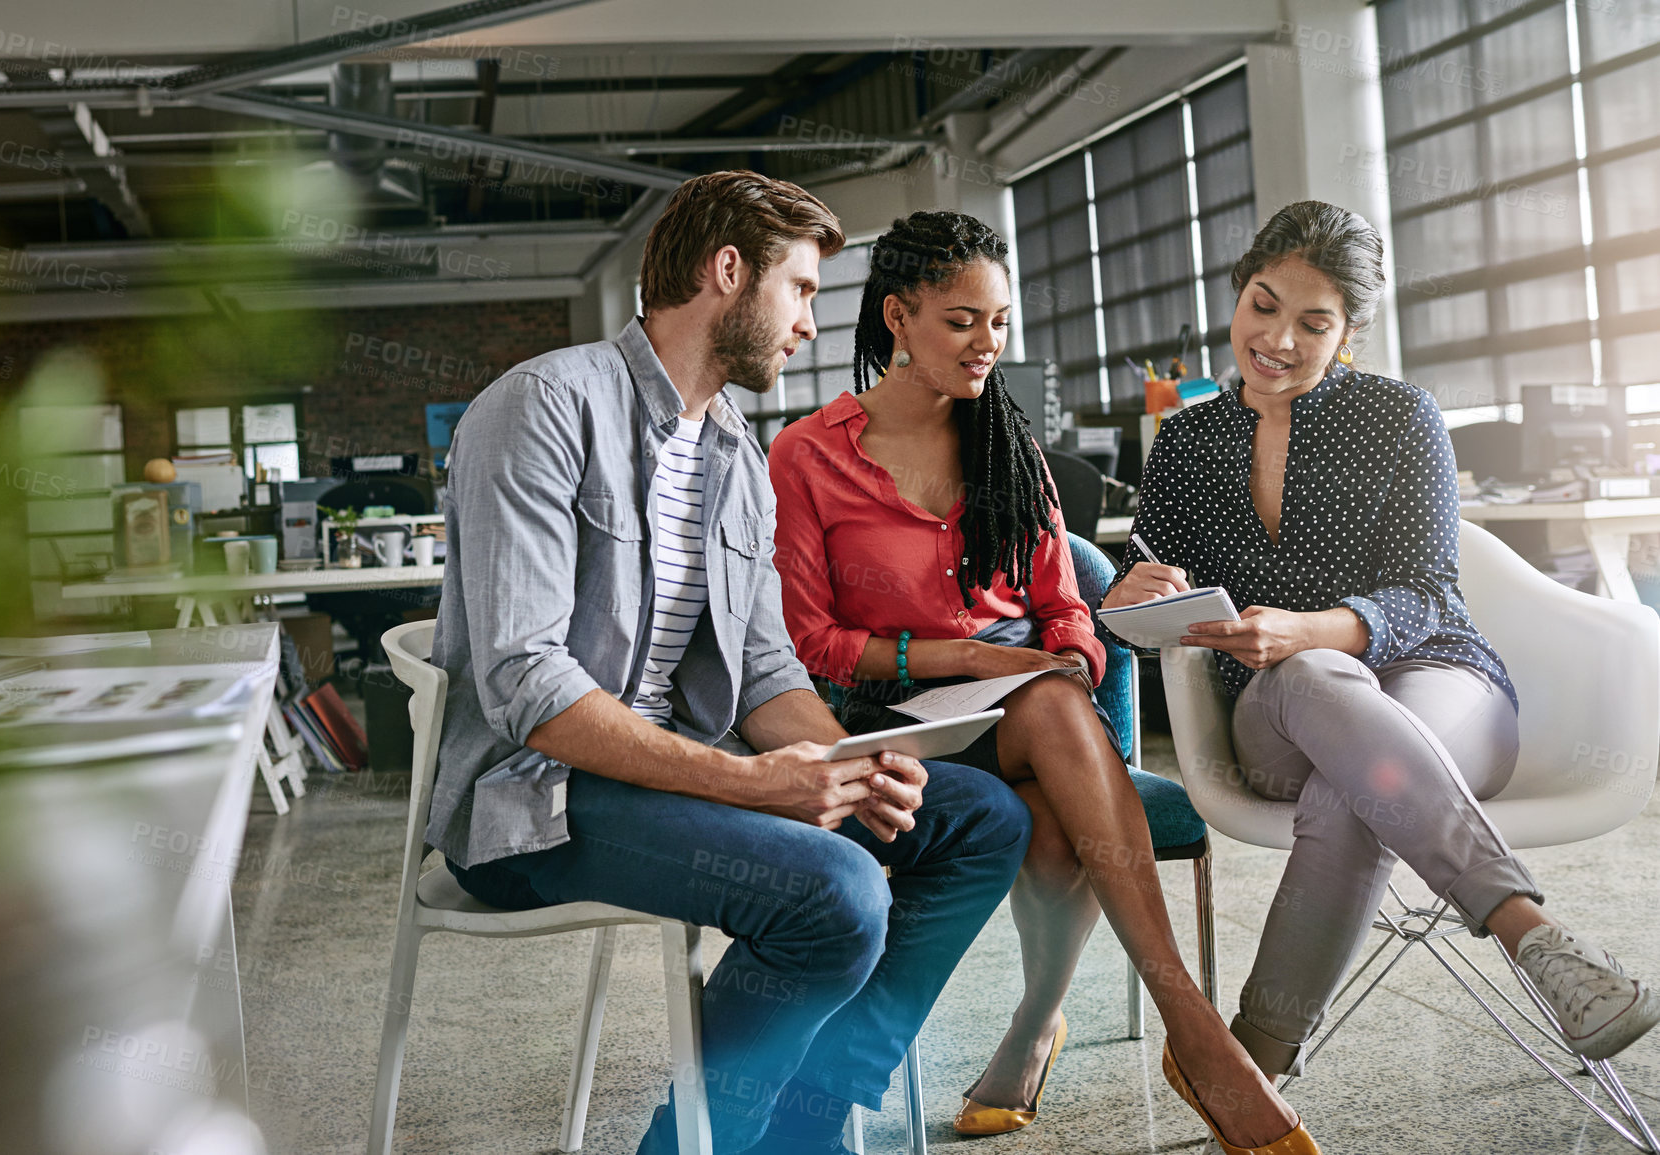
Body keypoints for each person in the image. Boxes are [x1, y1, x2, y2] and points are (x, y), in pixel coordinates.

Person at [424, 171, 1034, 1155]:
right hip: (536, 800)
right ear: (727, 271)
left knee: (977, 821)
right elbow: (527, 688)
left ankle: (806, 1120)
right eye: (799, 289)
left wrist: (841, 768)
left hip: (678, 776)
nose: (808, 323)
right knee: (836, 896)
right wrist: (753, 784)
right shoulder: (541, 407)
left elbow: (762, 674)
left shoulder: (738, 461)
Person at [768, 210, 1317, 1155]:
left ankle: (1080, 1030)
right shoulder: (807, 456)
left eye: (1001, 322)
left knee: (1059, 758)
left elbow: (1065, 603)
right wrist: (971, 658)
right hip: (895, 716)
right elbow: (809, 640)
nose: (988, 345)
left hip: (1029, 703)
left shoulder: (1006, 446)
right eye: (961, 321)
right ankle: (1191, 1037)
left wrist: (1066, 650)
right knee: (1055, 786)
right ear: (896, 318)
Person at [1103, 200, 1660, 1087]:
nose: (1276, 337)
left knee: (1348, 790)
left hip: (1441, 682)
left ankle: (1252, 1078)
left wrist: (1304, 627)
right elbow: (1143, 588)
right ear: (1237, 293)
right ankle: (1528, 932)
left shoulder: (1400, 416)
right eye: (1262, 303)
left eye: (1312, 322)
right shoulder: (1185, 441)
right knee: (1316, 677)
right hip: (1277, 710)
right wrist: (1128, 589)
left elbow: (1427, 591)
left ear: (1348, 331)